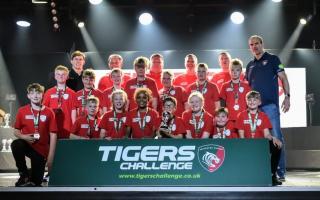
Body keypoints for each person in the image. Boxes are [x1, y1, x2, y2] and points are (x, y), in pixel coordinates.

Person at [246, 35, 290, 181]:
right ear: (250, 47)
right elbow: (249, 88)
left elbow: (283, 78)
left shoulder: (273, 59)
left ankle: (280, 172)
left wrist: (288, 97)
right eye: (252, 44)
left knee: (276, 137)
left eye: (257, 43)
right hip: (255, 110)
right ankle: (262, 170)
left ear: (262, 44)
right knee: (258, 139)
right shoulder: (249, 65)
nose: (255, 46)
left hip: (270, 106)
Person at [12, 83, 57, 187]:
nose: (35, 96)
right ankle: (23, 174)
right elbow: (16, 131)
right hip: (27, 145)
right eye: (32, 93)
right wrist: (24, 137)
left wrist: (50, 156)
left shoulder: (49, 112)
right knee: (16, 144)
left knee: (36, 182)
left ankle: (30, 175)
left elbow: (53, 135)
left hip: (41, 151)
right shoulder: (22, 111)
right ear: (28, 96)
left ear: (42, 95)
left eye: (38, 93)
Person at [236, 90, 282, 186]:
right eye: (249, 100)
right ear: (246, 102)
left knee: (277, 147)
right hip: (246, 144)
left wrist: (274, 138)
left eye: (255, 100)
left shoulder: (263, 116)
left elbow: (266, 135)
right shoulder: (241, 115)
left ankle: (272, 175)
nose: (252, 102)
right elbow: (241, 136)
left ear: (259, 102)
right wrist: (246, 146)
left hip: (260, 145)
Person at [43, 65, 76, 139]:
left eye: (63, 74)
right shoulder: (49, 92)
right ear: (55, 76)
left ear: (67, 77)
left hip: (67, 128)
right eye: (58, 74)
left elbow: (73, 112)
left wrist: (74, 129)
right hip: (52, 128)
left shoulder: (72, 93)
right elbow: (45, 111)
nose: (61, 76)